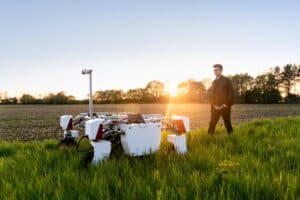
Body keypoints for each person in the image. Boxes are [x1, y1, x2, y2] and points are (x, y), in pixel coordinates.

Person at [208, 64, 234, 135]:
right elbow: (212, 95)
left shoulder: (227, 80)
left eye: (217, 70)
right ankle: (209, 137)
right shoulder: (213, 82)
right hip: (215, 107)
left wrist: (226, 104)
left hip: (224, 107)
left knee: (227, 123)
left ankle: (232, 137)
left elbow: (231, 93)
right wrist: (213, 105)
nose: (215, 71)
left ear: (221, 70)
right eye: (214, 70)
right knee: (212, 123)